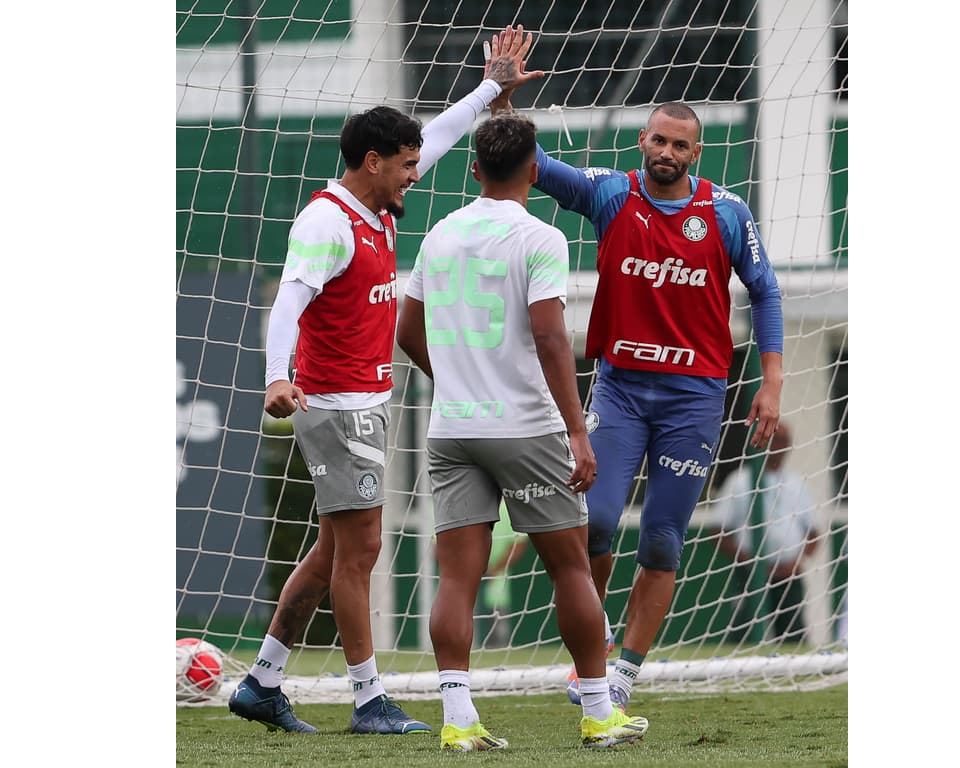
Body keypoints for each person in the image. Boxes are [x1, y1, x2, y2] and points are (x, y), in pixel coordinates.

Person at [227, 30, 542, 735]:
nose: (416, 173)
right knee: (364, 547)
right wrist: (277, 376)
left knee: (336, 548)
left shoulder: (377, 200)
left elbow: (442, 134)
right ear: (372, 164)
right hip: (334, 406)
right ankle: (369, 699)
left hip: (366, 401)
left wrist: (493, 88)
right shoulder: (327, 222)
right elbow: (289, 300)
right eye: (404, 165)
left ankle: (262, 681)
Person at [487, 25, 784, 711]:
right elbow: (530, 163)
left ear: (696, 153)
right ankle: (589, 661)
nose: (668, 153)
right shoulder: (611, 194)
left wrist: (770, 382)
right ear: (642, 142)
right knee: (591, 521)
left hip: (696, 399)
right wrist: (500, 98)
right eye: (659, 140)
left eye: (681, 145)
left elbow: (766, 292)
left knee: (660, 538)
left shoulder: (727, 212)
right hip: (619, 392)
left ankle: (624, 671)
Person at [396, 108, 649, 751]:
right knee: (569, 567)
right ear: (536, 172)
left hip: (453, 428)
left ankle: (457, 721)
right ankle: (597, 712)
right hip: (527, 427)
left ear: (474, 168)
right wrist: (579, 432)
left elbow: (405, 332)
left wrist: (454, 381)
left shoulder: (438, 235)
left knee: (457, 577)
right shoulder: (542, 237)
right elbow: (548, 335)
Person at [710, 421, 820, 644]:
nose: (779, 447)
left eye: (784, 442)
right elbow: (718, 531)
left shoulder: (798, 483)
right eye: (774, 440)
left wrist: (796, 563)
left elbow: (813, 533)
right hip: (751, 573)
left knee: (794, 634)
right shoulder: (739, 481)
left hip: (789, 574)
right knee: (743, 633)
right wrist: (751, 562)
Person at [476, 501, 530, 649]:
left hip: (497, 584)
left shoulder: (509, 508)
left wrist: (495, 569)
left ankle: (498, 649)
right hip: (468, 578)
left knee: (497, 632)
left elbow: (519, 544)